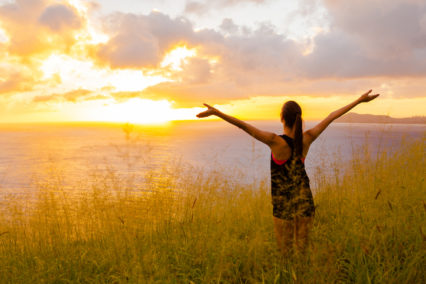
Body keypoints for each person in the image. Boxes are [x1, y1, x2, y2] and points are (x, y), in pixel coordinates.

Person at [196, 90, 379, 255]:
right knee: (302, 252)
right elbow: (331, 117)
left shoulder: (275, 141)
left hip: (282, 202)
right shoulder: (306, 139)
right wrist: (359, 100)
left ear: (282, 118)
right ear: (299, 118)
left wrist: (217, 113)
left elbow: (243, 126)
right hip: (304, 199)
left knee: (286, 254)